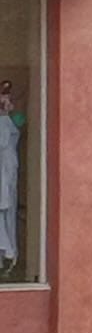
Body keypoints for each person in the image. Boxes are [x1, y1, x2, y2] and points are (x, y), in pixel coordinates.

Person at [0, 81, 20, 271]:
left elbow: (21, 122)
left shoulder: (15, 117)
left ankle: (9, 253)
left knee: (8, 213)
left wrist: (8, 113)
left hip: (7, 170)